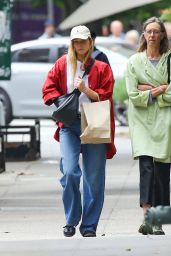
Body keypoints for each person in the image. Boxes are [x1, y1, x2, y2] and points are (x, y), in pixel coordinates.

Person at [42, 25, 116, 237]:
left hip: (94, 121)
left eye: (83, 40)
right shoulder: (62, 64)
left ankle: (89, 226)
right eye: (76, 41)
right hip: (69, 124)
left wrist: (86, 90)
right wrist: (60, 101)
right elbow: (48, 88)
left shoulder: (101, 67)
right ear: (71, 43)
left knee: (93, 178)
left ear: (90, 42)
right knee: (70, 172)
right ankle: (71, 219)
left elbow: (106, 94)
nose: (80, 44)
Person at [125, 17, 171, 235]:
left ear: (162, 35)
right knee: (146, 167)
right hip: (142, 120)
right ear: (143, 34)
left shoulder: (170, 60)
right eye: (148, 31)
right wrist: (158, 89)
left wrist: (150, 89)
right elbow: (133, 94)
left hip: (165, 120)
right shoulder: (134, 61)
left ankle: (159, 220)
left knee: (162, 170)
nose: (152, 35)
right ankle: (147, 216)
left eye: (156, 31)